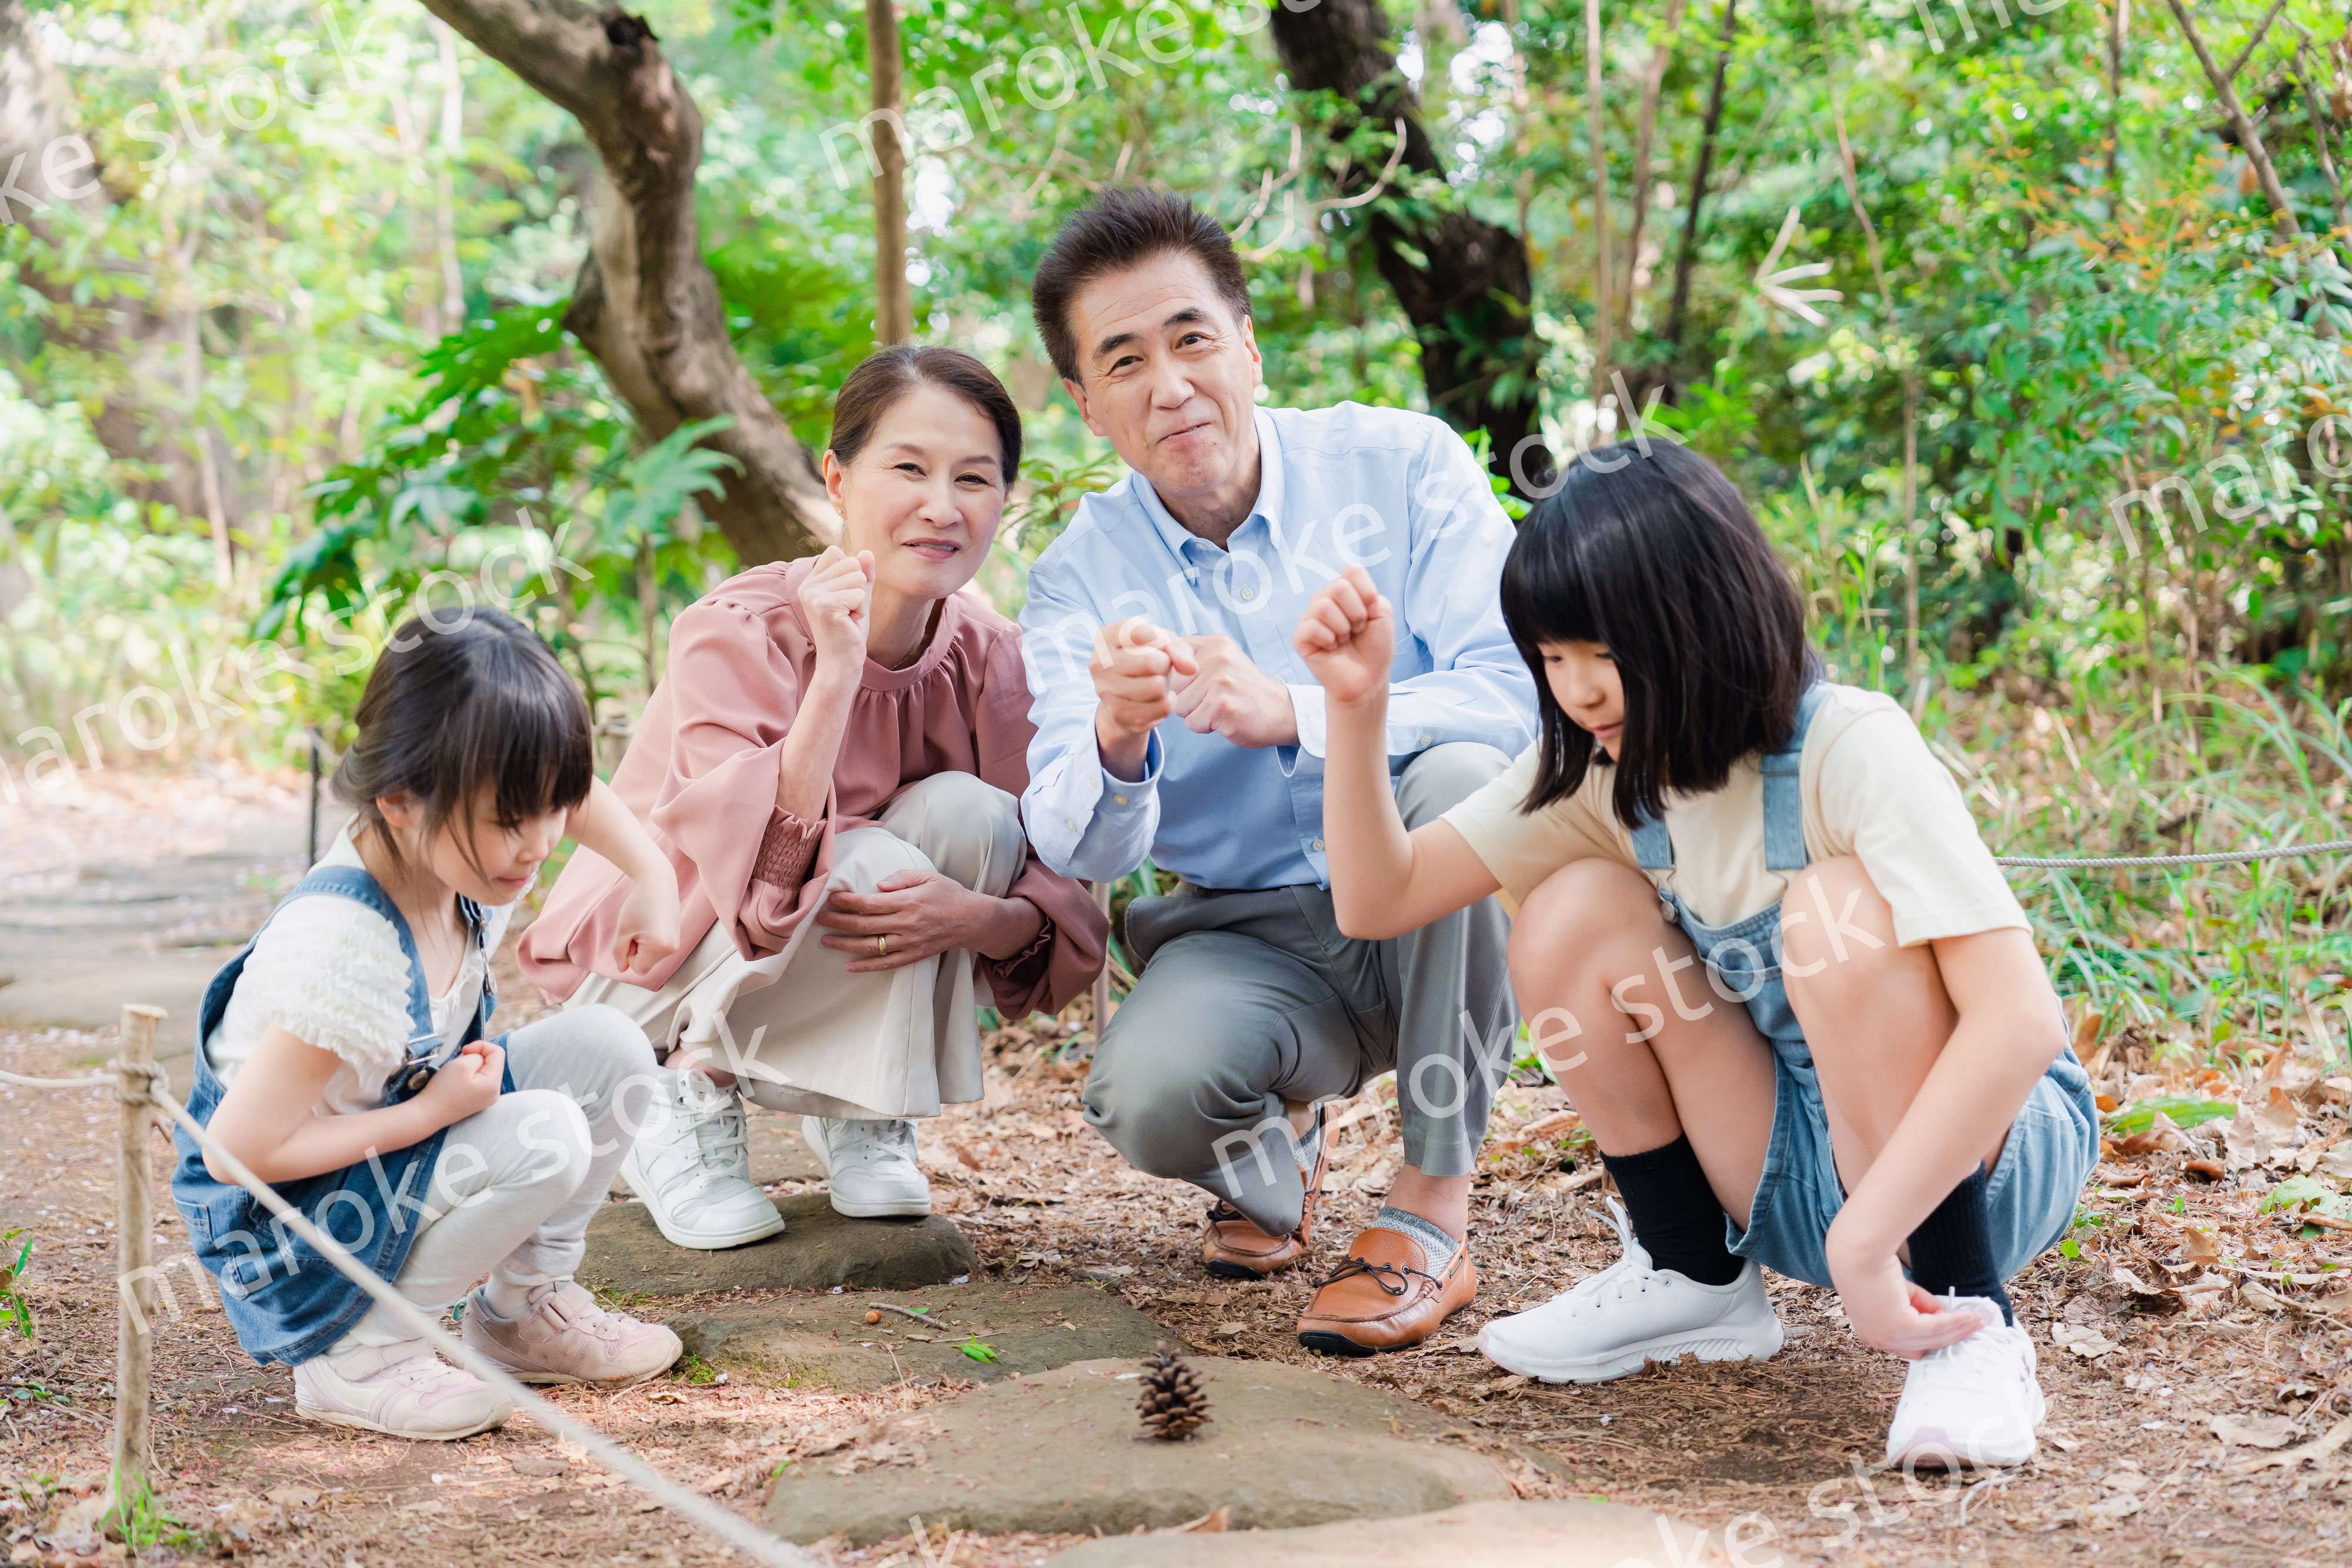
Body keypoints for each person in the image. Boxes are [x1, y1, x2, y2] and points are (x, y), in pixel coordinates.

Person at [1292, 439, 2099, 1466]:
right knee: (1568, 911)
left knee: (1830, 912)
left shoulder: (1848, 745)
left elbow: (2020, 1022)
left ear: (1701, 618)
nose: (1579, 691)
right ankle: (1692, 1277)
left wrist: (1867, 1237)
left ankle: (1970, 1326)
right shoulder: (1598, 770)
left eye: (1604, 652)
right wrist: (1356, 709)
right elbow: (1379, 897)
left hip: (1983, 1165)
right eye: (1552, 658)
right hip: (1792, 1173)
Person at [1017, 188, 1536, 1355]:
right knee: (1147, 1097)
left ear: (1248, 344)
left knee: (1458, 772)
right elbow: (1076, 846)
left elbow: (1521, 694)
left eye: (1192, 337)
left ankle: (1429, 1208)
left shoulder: (1399, 464)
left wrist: (1303, 712)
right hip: (1245, 934)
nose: (1170, 384)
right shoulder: (1076, 578)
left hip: (1428, 893)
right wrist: (1113, 738)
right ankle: (1276, 1139)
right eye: (1124, 360)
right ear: (1085, 403)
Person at [524, 346, 1106, 1249]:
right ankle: (680, 1090)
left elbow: (1053, 890)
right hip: (660, 958)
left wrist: (972, 919)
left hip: (815, 939)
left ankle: (863, 1106)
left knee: (972, 814)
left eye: (975, 479)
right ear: (838, 477)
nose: (941, 507)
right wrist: (834, 675)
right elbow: (749, 874)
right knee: (864, 853)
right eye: (908, 468)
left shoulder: (992, 657)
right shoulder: (736, 630)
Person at [170, 610, 687, 1442]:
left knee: (614, 1053)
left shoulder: (461, 841)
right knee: (548, 1134)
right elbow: (239, 1154)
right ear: (400, 799)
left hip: (385, 1154)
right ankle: (356, 1357)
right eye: (515, 818)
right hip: (292, 1226)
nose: (542, 843)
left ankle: (522, 1314)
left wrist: (651, 871)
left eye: (549, 808)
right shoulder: (348, 950)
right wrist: (429, 1114)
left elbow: (572, 792)